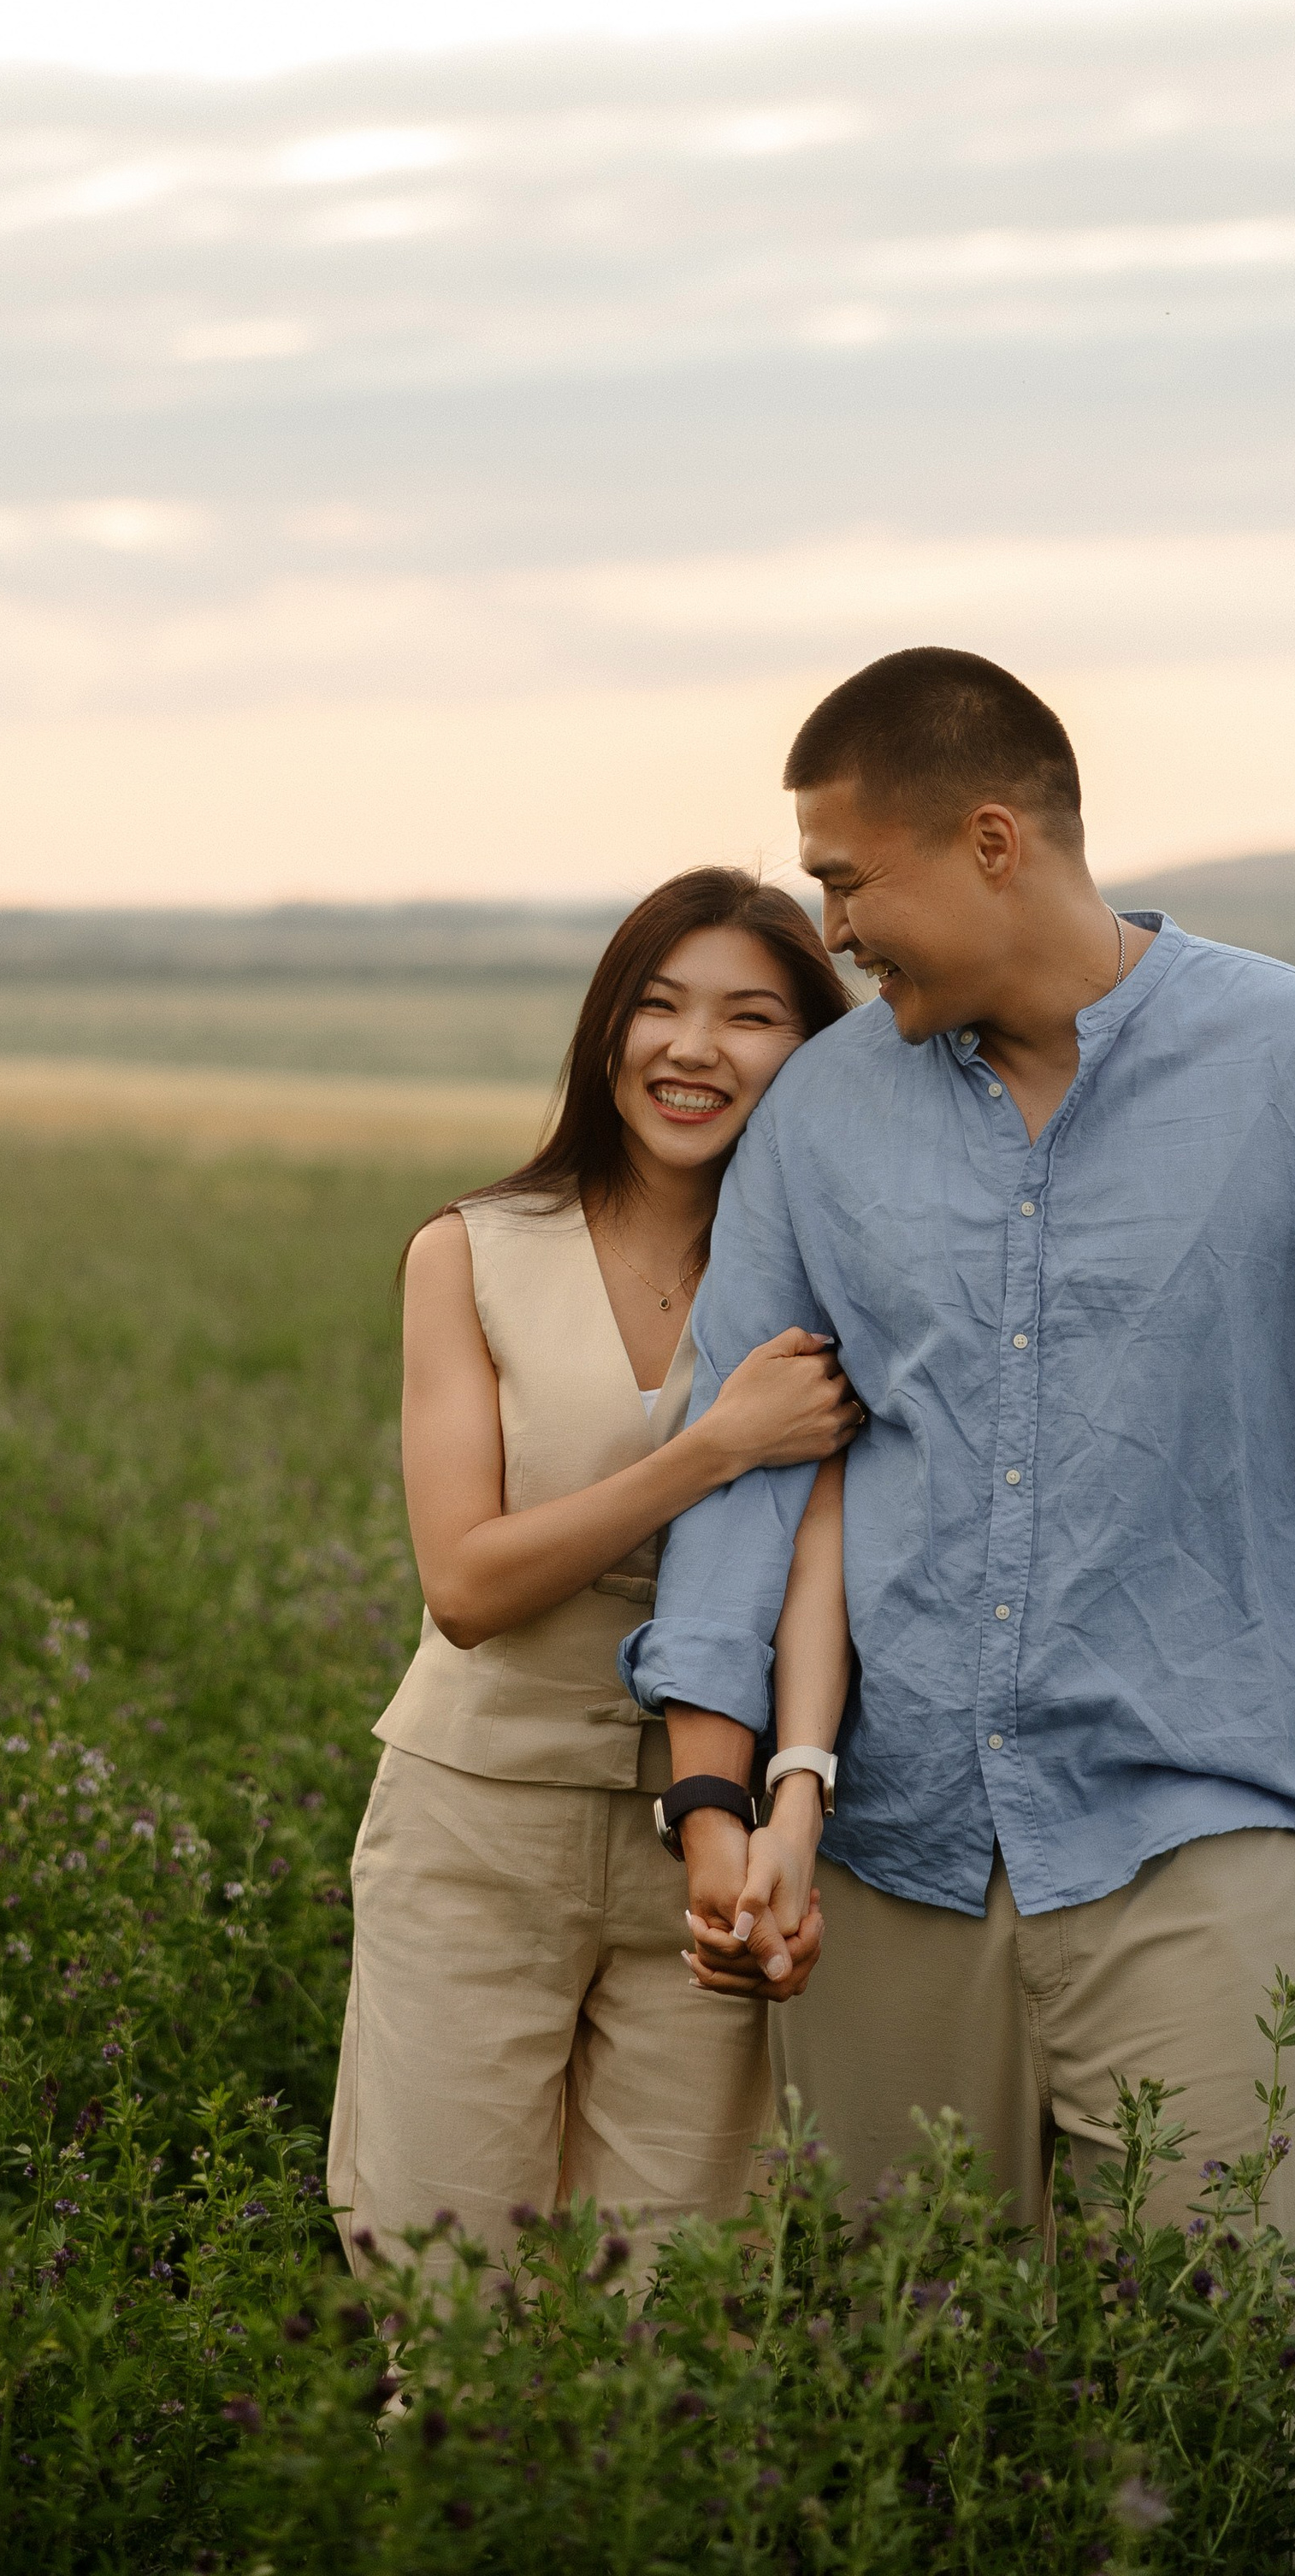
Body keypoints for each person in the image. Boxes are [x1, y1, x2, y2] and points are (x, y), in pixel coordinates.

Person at [623, 647, 1295, 2266]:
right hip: (890, 1855)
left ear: (995, 840)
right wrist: (715, 1817)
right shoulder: (820, 1116)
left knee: (1203, 2389)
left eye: (851, 880)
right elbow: (750, 1479)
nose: (834, 930)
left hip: (1200, 1834)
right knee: (898, 2401)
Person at [327, 866, 864, 2278]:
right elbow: (468, 1584)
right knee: (443, 2288)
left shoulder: (831, 1283)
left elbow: (829, 1565)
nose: (694, 1049)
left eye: (751, 1016)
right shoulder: (472, 1253)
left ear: (815, 1053)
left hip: (713, 1847)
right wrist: (715, 1447)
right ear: (605, 1031)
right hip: (476, 1825)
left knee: (675, 2310)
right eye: (659, 1006)